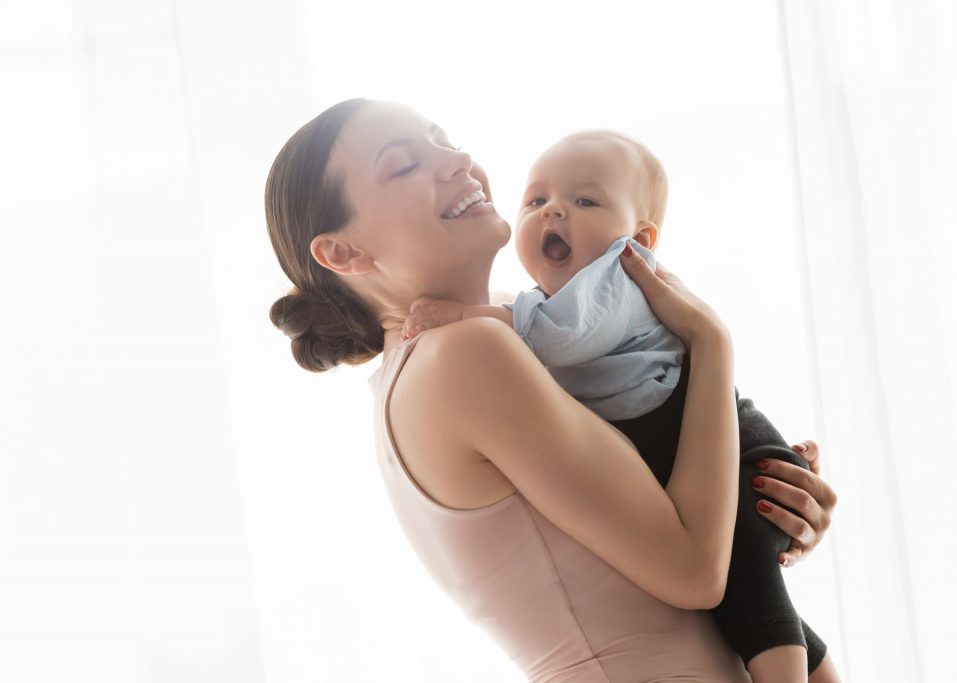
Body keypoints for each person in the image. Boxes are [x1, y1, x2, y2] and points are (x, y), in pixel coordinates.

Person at [265, 98, 841, 682]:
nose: (457, 160)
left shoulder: (469, 347)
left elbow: (658, 533)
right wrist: (711, 341)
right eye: (404, 164)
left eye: (446, 140)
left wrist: (761, 502)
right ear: (343, 253)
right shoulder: (464, 354)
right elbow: (695, 570)